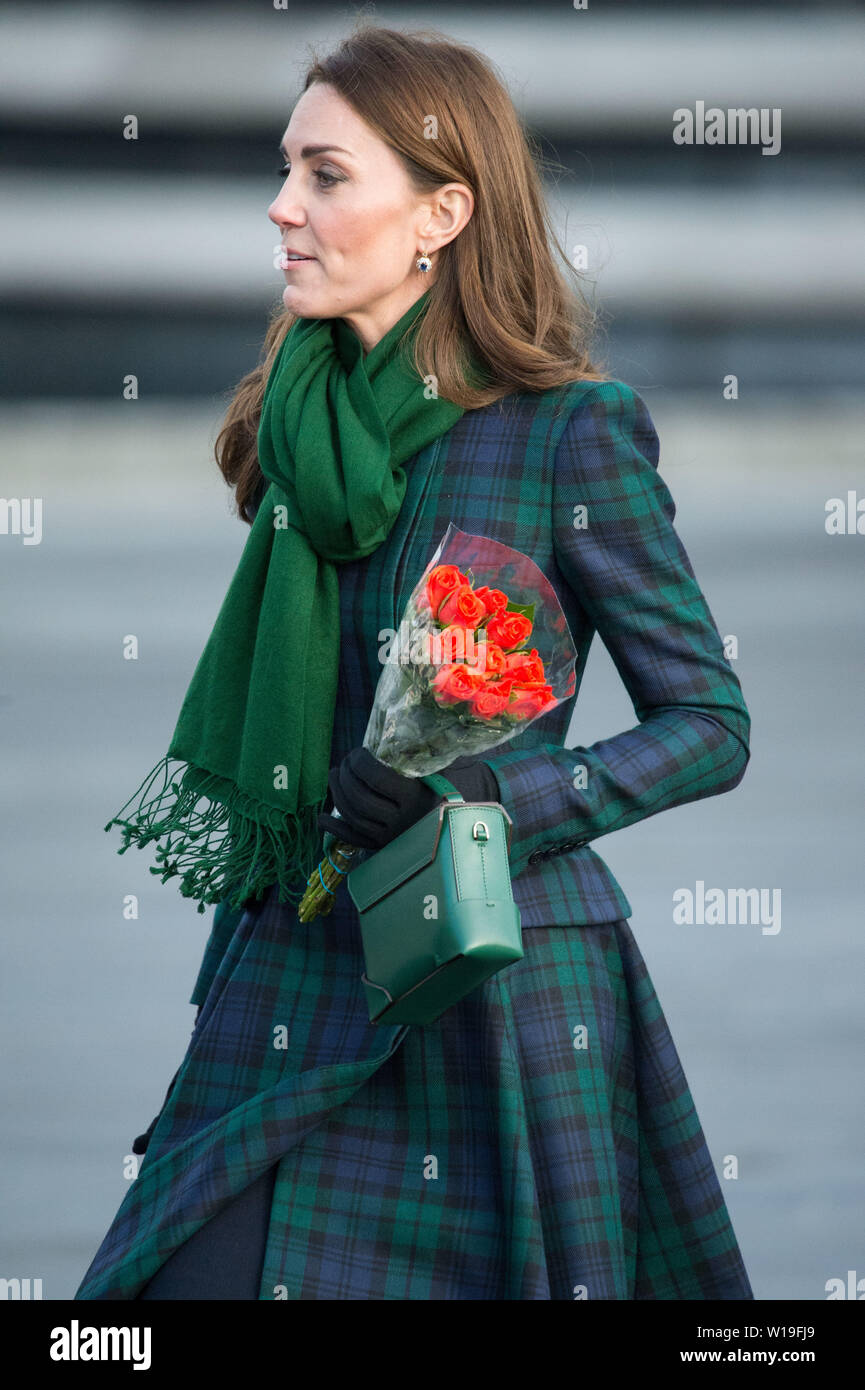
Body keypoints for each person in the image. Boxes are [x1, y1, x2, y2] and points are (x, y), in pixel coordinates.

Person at [75, 23, 753, 1301]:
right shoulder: (298, 411)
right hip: (296, 961)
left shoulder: (571, 436)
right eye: (286, 171)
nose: (281, 207)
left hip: (485, 986)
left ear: (441, 212)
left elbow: (710, 722)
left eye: (324, 175)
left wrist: (493, 798)